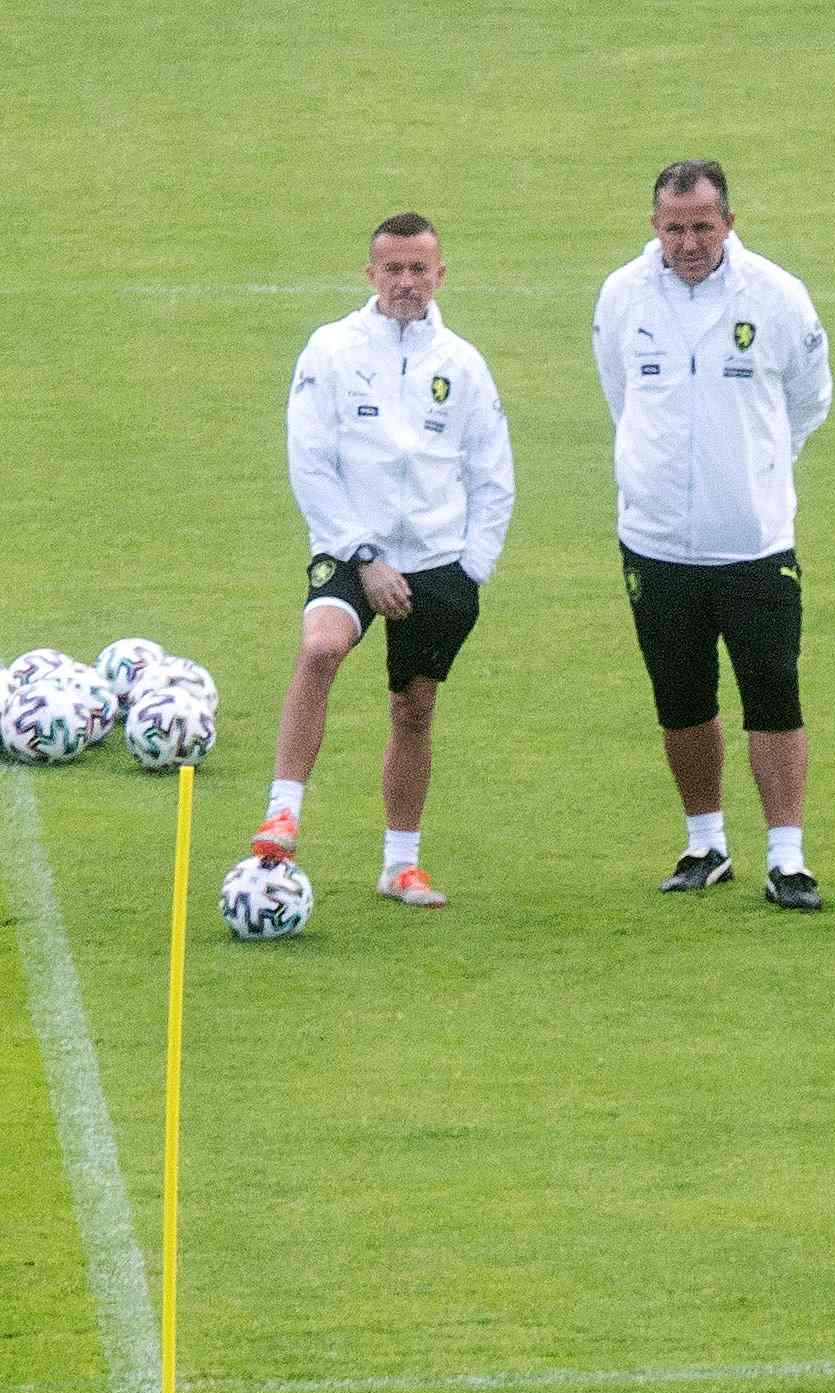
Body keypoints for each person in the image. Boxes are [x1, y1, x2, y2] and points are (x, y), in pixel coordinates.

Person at [254, 214, 516, 911]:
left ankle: (400, 864)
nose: (406, 282)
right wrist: (362, 554)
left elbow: (494, 474)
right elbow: (308, 461)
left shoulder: (461, 365)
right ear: (370, 274)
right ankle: (282, 812)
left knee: (413, 710)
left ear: (439, 275)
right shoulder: (331, 350)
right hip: (348, 547)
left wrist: (471, 569)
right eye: (392, 269)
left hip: (436, 561)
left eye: (418, 270)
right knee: (321, 647)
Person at [592, 161, 833, 910]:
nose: (688, 241)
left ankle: (786, 857)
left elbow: (808, 399)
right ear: (653, 227)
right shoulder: (621, 296)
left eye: (702, 225)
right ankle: (705, 843)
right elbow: (619, 394)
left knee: (774, 695)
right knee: (682, 700)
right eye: (674, 227)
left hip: (753, 543)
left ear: (728, 221)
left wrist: (755, 472)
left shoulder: (776, 296)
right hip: (657, 542)